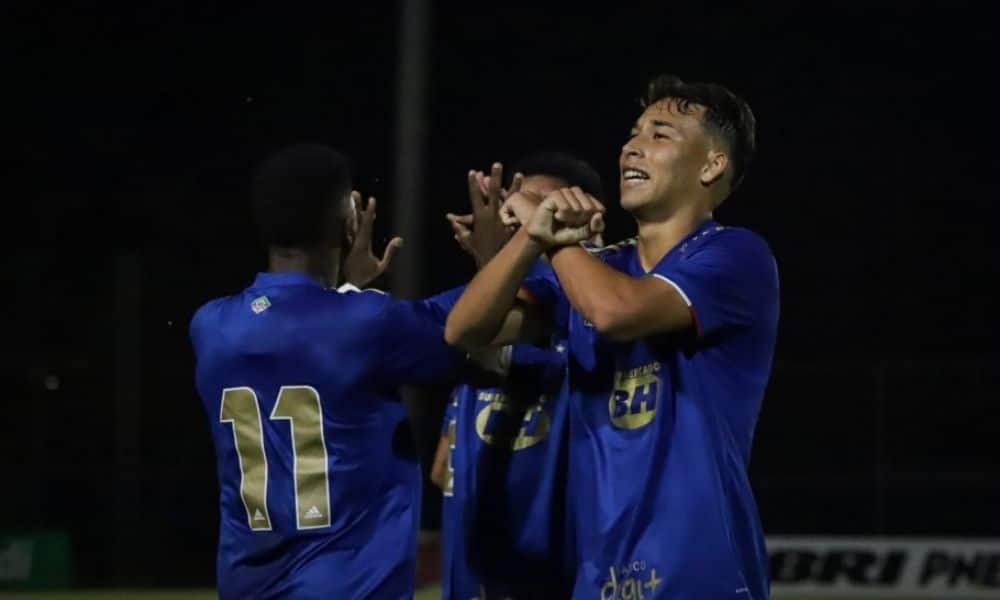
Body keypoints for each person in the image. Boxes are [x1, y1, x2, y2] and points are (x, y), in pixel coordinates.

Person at [445, 74, 778, 599]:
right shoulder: (596, 267)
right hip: (598, 575)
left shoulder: (736, 256)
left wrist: (555, 242)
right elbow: (466, 327)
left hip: (700, 575)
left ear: (712, 164)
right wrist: (532, 238)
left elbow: (615, 312)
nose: (632, 146)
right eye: (633, 132)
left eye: (660, 134)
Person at [190, 143, 462, 599]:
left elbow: (306, 337)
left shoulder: (209, 326)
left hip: (246, 584)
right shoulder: (367, 323)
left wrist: (351, 292)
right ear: (347, 221)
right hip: (347, 586)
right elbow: (465, 330)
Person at [431, 153, 602, 599]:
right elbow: (442, 469)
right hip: (477, 579)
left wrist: (495, 258)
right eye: (515, 208)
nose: (521, 221)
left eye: (538, 207)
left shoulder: (590, 322)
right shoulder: (487, 331)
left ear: (592, 222)